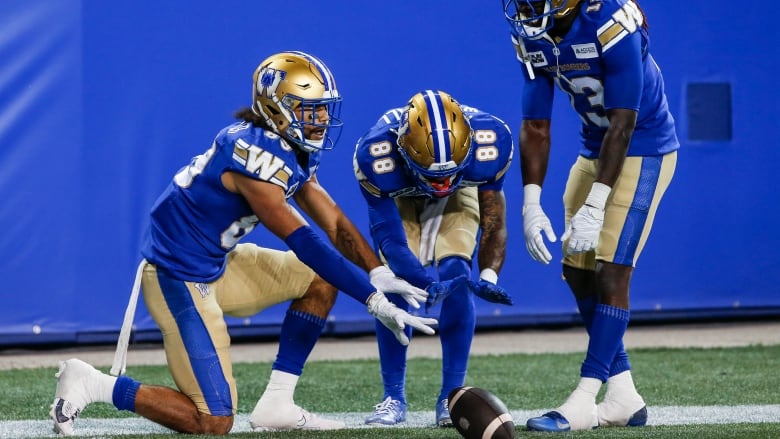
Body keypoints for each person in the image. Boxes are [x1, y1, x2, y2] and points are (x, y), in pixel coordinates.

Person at [49, 51, 444, 436]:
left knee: (318, 282)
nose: (323, 118)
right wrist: (373, 300)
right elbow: (305, 240)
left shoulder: (289, 147)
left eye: (324, 107)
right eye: (311, 109)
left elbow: (334, 221)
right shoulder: (253, 158)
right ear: (276, 108)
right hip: (178, 278)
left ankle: (277, 403)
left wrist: (376, 271)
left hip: (218, 261)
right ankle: (95, 384)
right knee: (213, 421)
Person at [501, 0, 679, 432]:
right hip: (595, 148)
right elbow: (536, 125)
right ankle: (622, 394)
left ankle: (584, 398)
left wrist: (597, 203)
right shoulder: (532, 32)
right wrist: (530, 202)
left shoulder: (611, 23)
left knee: (611, 273)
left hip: (644, 148)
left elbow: (624, 123)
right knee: (577, 270)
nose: (525, 5)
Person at [353, 90, 515, 427]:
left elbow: (493, 217)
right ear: (402, 149)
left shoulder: (491, 141)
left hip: (460, 197)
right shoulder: (376, 155)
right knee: (396, 288)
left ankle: (451, 395)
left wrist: (488, 277)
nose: (441, 183)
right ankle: (393, 396)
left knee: (457, 271)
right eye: (432, 174)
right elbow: (389, 238)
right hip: (402, 197)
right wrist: (425, 283)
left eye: (449, 173)